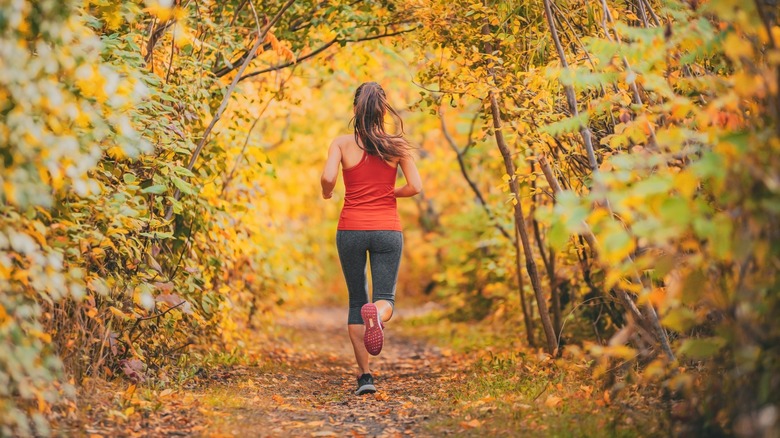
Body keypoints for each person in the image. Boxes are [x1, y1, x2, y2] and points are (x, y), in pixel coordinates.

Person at [320, 82, 422, 396]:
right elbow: (415, 186)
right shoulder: (396, 146)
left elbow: (327, 178)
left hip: (350, 228)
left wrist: (328, 192)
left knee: (355, 301)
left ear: (355, 110)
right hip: (387, 229)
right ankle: (377, 314)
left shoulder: (341, 142)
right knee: (385, 298)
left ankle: (365, 377)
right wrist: (389, 192)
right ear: (382, 111)